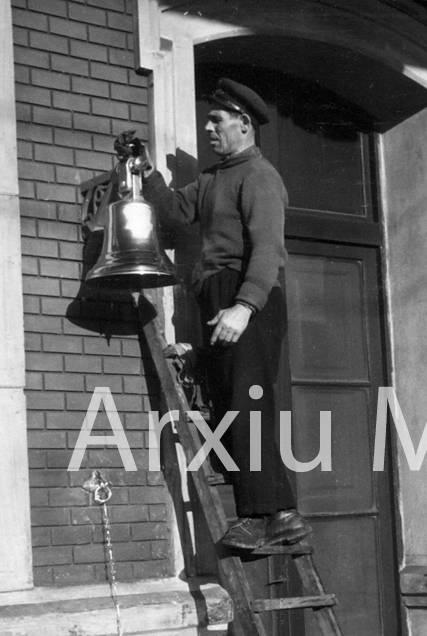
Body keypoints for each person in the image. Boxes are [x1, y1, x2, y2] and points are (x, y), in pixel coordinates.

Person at [116, 78, 311, 550]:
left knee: (246, 404)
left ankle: (259, 515)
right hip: (218, 296)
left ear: (244, 124)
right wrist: (144, 171)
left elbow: (268, 250)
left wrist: (244, 307)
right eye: (207, 119)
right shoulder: (211, 179)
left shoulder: (260, 177)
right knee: (230, 405)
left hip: (248, 296)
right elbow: (175, 215)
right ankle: (282, 515)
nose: (208, 127)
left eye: (217, 119)